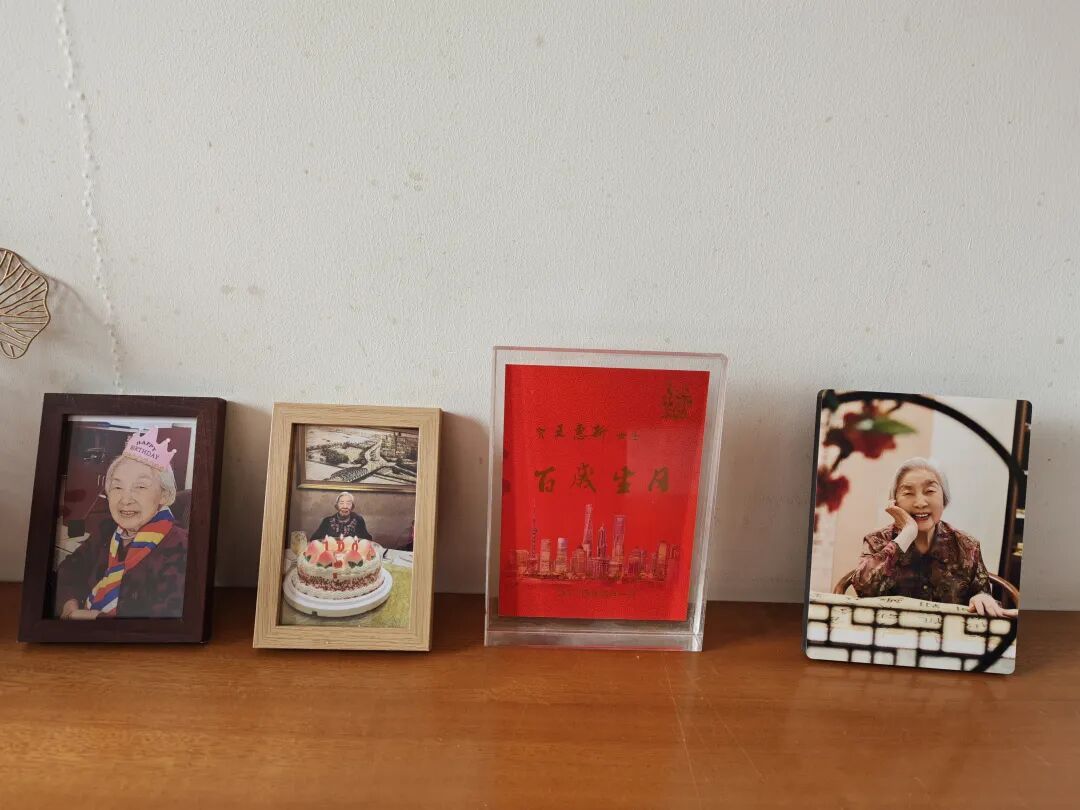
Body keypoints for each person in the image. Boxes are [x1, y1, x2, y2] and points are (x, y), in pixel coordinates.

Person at [851, 457, 1016, 618]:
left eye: (929, 491)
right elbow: (863, 589)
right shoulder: (877, 540)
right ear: (895, 503)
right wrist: (906, 535)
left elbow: (982, 593)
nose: (920, 503)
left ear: (944, 498)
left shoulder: (967, 545)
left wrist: (981, 598)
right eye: (908, 493)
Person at [55, 427, 187, 619]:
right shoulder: (108, 531)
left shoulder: (181, 547)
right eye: (117, 487)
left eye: (140, 486)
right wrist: (69, 604)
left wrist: (94, 618)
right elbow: (69, 569)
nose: (125, 499)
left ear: (165, 495)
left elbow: (162, 620)